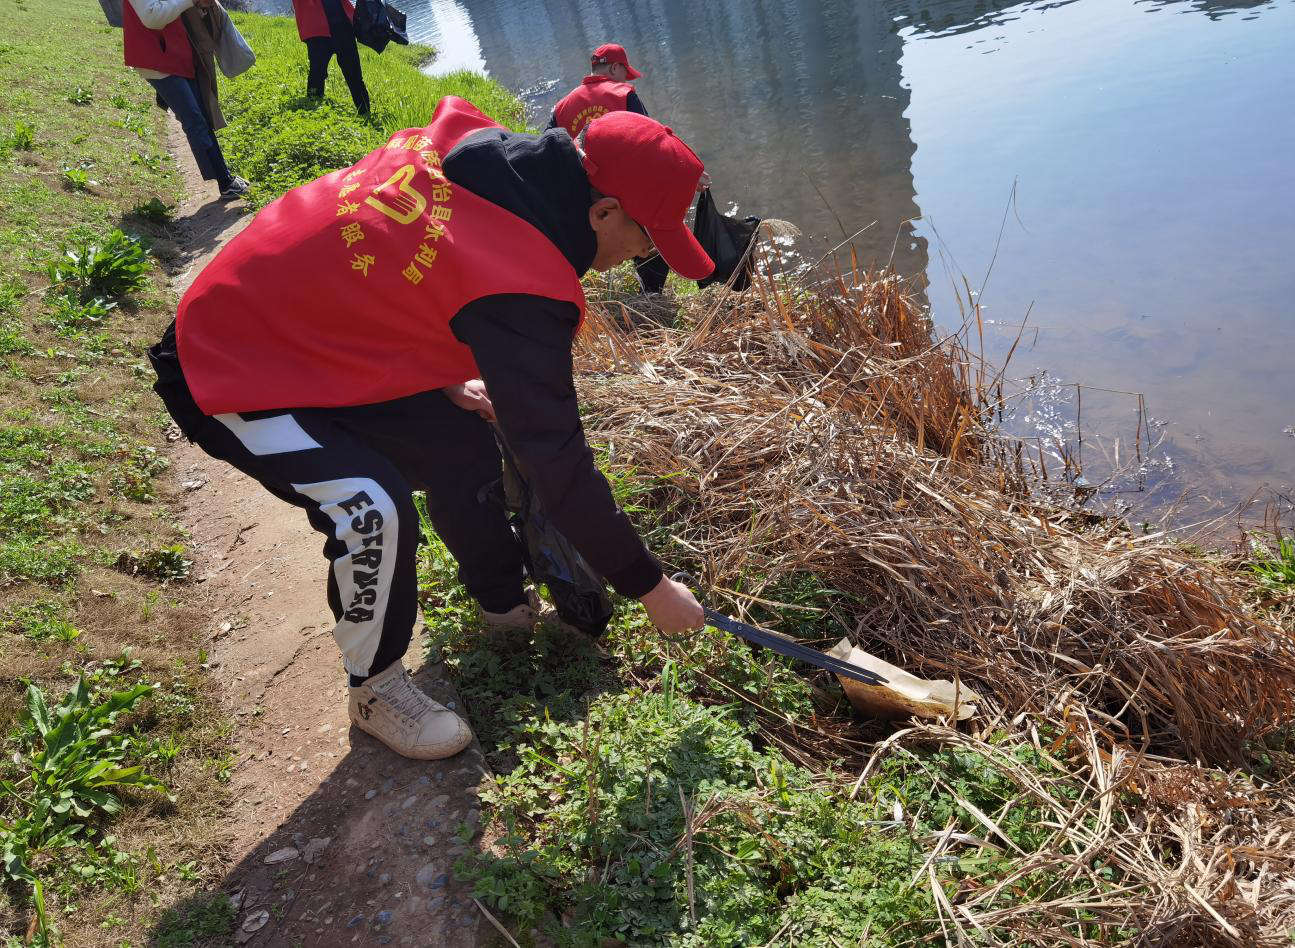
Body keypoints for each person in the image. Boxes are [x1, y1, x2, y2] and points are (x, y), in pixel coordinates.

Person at [148, 97, 712, 761]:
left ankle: (504, 611)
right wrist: (651, 587)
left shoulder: (481, 150)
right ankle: (375, 688)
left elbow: (393, 269)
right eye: (648, 238)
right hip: (222, 362)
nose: (642, 256)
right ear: (603, 212)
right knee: (372, 507)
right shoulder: (523, 283)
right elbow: (557, 461)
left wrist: (442, 377)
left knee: (458, 437)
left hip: (288, 329)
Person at [550, 44, 707, 295]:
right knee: (646, 236)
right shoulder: (624, 94)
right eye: (625, 72)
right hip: (627, 201)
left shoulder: (562, 106)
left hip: (582, 206)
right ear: (615, 67)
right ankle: (651, 293)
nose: (627, 79)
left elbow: (553, 153)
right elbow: (652, 143)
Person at [123, 0, 249, 199]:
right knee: (194, 119)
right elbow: (152, 17)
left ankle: (225, 178)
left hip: (176, 52)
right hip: (157, 58)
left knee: (201, 115)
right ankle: (225, 182)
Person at [292, 0, 371, 115]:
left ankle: (365, 114)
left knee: (354, 76)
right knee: (317, 74)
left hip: (344, 27)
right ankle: (313, 115)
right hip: (317, 30)